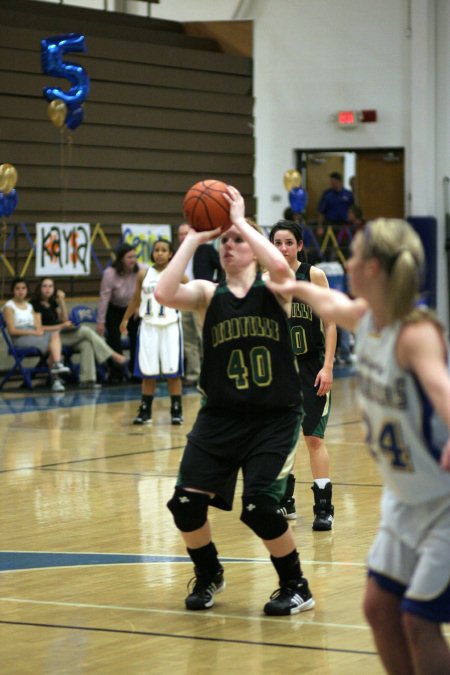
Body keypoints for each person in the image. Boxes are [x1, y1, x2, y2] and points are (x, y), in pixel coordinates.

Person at [267, 218, 450, 674]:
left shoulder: (414, 333)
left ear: (372, 269)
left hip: (441, 505)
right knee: (378, 608)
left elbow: (441, 389)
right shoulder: (364, 319)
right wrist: (236, 223)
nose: (344, 263)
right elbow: (297, 283)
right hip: (404, 501)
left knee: (417, 620)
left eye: (353, 257)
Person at [155, 186, 314, 617]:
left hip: (273, 419)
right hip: (220, 417)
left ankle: (296, 585)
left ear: (253, 246)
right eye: (224, 241)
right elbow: (164, 294)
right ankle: (208, 574)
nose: (229, 245)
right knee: (184, 504)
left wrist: (240, 220)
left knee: (261, 507)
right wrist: (194, 236)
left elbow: (281, 266)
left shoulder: (273, 290)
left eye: (237, 240)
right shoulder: (208, 295)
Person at [268, 220, 337, 530]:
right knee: (282, 439)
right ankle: (285, 501)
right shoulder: (265, 280)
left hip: (311, 366)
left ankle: (324, 507)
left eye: (288, 242)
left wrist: (328, 366)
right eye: (277, 243)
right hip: (279, 371)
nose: (283, 248)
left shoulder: (313, 275)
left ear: (298, 245)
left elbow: (331, 323)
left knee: (313, 438)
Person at [121, 238, 183, 425]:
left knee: (173, 372)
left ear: (171, 254)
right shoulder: (143, 274)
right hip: (148, 326)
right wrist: (125, 318)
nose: (160, 253)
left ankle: (176, 410)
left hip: (171, 325)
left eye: (164, 250)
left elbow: (193, 293)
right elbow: (135, 299)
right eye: (156, 250)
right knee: (148, 372)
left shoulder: (177, 274)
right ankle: (145, 410)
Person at [31, 277, 126, 389]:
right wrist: (61, 326)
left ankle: (87, 380)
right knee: (85, 331)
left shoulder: (52, 303)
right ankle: (113, 355)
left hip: (61, 334)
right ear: (39, 288)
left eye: (50, 286)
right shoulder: (34, 304)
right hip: (48, 338)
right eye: (45, 286)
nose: (48, 289)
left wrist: (61, 301)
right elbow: (39, 328)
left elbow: (65, 319)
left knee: (86, 343)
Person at [3, 277, 70, 392]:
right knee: (54, 348)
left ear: (27, 290)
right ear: (12, 290)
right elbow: (12, 331)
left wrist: (38, 331)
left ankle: (57, 367)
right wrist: (33, 332)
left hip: (34, 334)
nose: (21, 291)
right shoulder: (9, 307)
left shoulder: (30, 306)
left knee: (54, 336)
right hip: (20, 338)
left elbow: (38, 326)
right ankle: (56, 376)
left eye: (23, 288)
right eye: (17, 288)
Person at [177, 223, 222, 386]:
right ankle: (193, 373)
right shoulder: (178, 254)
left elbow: (221, 266)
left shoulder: (205, 249)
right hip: (185, 299)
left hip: (202, 297)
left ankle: (209, 372)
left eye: (185, 233)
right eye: (180, 234)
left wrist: (215, 286)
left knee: (204, 337)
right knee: (188, 340)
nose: (183, 237)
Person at [96, 244, 145, 383]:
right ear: (121, 259)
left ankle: (136, 371)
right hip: (115, 309)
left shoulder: (141, 270)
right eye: (129, 257)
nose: (133, 260)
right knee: (114, 339)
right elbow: (104, 298)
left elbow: (147, 291)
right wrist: (101, 321)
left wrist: (139, 307)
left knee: (137, 338)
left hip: (133, 308)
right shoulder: (109, 273)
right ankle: (117, 373)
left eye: (134, 256)